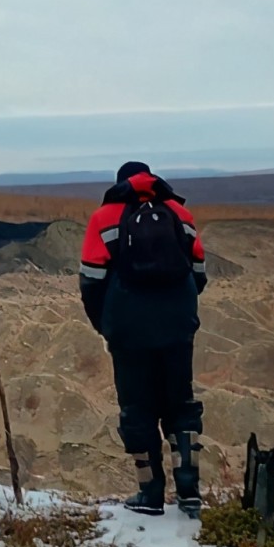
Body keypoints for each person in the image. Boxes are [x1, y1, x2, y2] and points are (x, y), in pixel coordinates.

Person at [78, 161, 208, 517]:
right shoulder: (179, 213)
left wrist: (106, 326)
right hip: (178, 325)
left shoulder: (103, 217)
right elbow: (199, 274)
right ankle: (189, 489)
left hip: (129, 329)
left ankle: (150, 493)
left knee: (137, 409)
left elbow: (91, 282)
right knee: (181, 403)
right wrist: (181, 313)